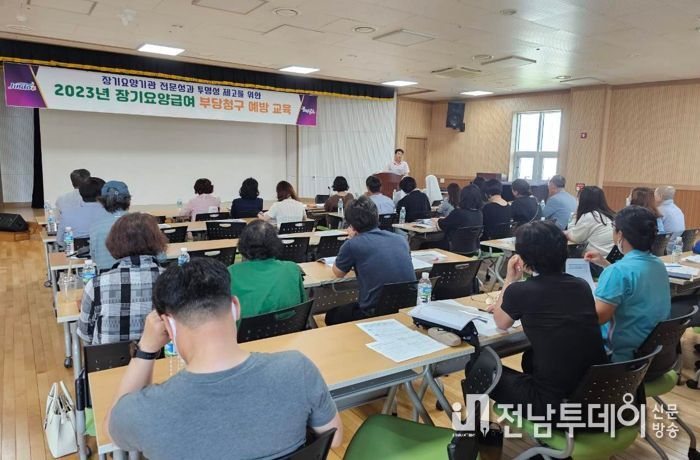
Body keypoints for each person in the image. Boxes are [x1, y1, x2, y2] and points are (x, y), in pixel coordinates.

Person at [106, 258, 342, 459]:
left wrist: (146, 350)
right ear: (235, 307)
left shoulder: (147, 411)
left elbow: (110, 430)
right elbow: (335, 437)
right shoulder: (297, 369)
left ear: (167, 325)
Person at [488, 221, 608, 416]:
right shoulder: (581, 285)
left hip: (556, 405)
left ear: (523, 257)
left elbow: (501, 323)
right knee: (530, 357)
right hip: (596, 393)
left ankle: (475, 431)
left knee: (479, 368)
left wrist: (510, 279)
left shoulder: (520, 290)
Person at [585, 206, 671, 362]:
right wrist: (605, 264)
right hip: (651, 353)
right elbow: (631, 281)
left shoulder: (618, 272)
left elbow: (597, 318)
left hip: (620, 360)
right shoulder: (658, 264)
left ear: (620, 235)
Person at [78, 213, 167, 345]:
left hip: (109, 357)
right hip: (161, 355)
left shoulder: (96, 285)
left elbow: (85, 334)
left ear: (114, 242)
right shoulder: (172, 280)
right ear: (157, 240)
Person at [326, 196, 415, 325]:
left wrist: (350, 239)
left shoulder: (352, 244)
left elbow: (338, 273)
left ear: (350, 224)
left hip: (374, 311)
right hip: (408, 307)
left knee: (331, 315)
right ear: (377, 216)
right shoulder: (400, 239)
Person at [228, 220, 307, 319]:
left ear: (242, 244)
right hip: (290, 326)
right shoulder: (292, 268)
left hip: (245, 328)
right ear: (275, 243)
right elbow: (303, 304)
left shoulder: (230, 273)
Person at [56, 177, 109, 248]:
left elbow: (60, 240)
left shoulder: (67, 214)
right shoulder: (111, 213)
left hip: (76, 252)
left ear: (80, 192)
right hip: (106, 252)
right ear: (103, 193)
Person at [90, 181, 131, 271]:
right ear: (128, 200)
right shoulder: (143, 222)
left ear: (102, 202)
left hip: (106, 277)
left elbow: (94, 258)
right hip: (141, 276)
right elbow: (160, 257)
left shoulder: (95, 227)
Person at [565, 186, 615, 257]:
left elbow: (575, 238)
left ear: (583, 201)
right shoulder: (609, 215)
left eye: (578, 198)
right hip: (609, 258)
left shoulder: (590, 216)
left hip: (596, 259)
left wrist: (565, 232)